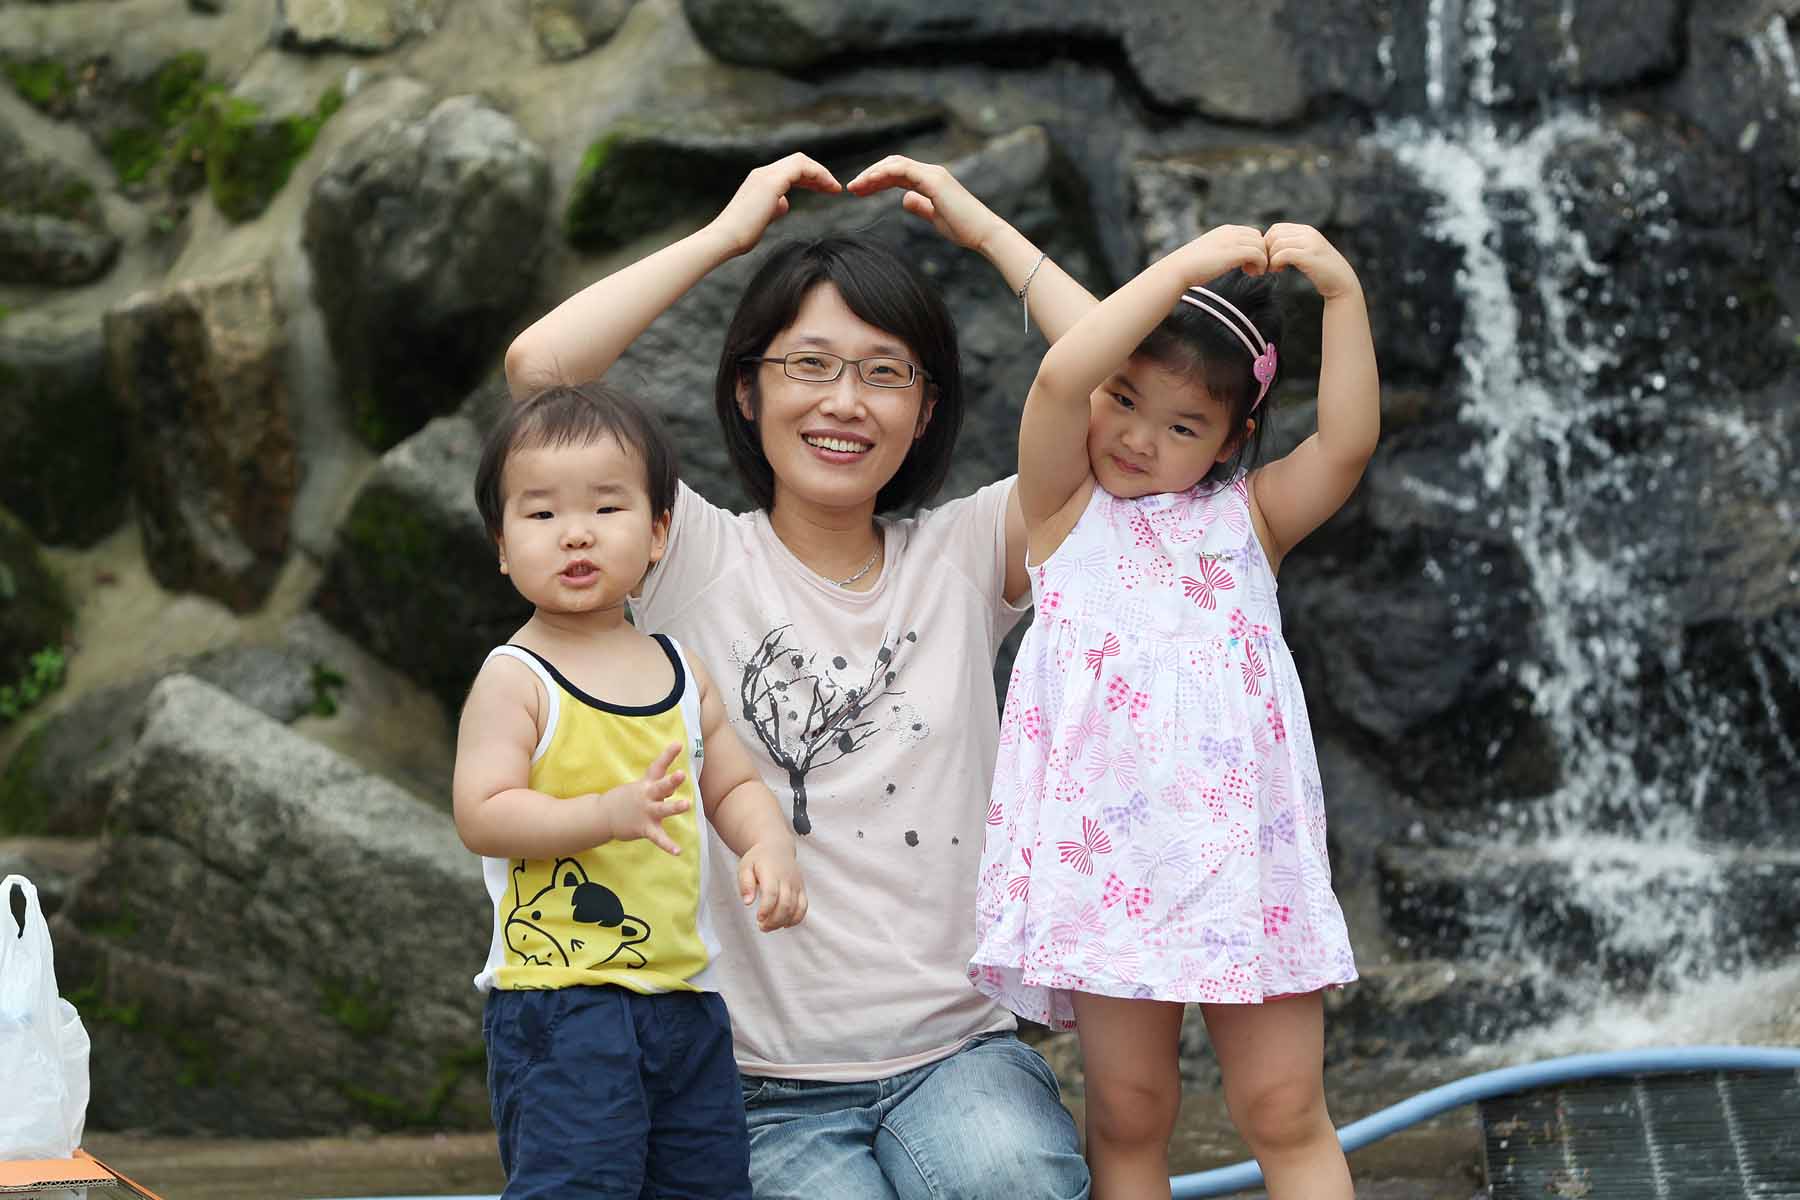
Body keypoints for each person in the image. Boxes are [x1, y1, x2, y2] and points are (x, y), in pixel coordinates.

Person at [503, 154, 1094, 1199]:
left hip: (958, 1056)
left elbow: (1120, 404)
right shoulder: (685, 556)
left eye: (885, 373)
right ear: (748, 387)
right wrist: (724, 236)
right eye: (809, 365)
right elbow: (541, 373)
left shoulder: (969, 553)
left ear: (926, 408)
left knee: (1017, 1178)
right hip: (754, 1084)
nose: (845, 402)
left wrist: (988, 232)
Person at [970, 223, 1376, 1199]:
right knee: (1129, 1112)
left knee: (1284, 1106)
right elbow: (1061, 380)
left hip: (1249, 866)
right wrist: (1183, 271)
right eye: (1124, 400)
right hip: (1111, 867)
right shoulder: (1061, 511)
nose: (1138, 438)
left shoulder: (1253, 520)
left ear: (1232, 442)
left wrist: (1344, 296)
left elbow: (1348, 442)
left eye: (1183, 427)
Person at [453, 382, 808, 1199]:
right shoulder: (517, 678)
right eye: (542, 514)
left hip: (685, 998)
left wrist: (768, 843)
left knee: (706, 1183)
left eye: (606, 508)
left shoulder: (681, 671)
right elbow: (483, 813)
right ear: (502, 545)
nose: (575, 532)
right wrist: (603, 815)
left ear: (656, 534)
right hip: (561, 1004)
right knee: (578, 1183)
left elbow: (730, 783)